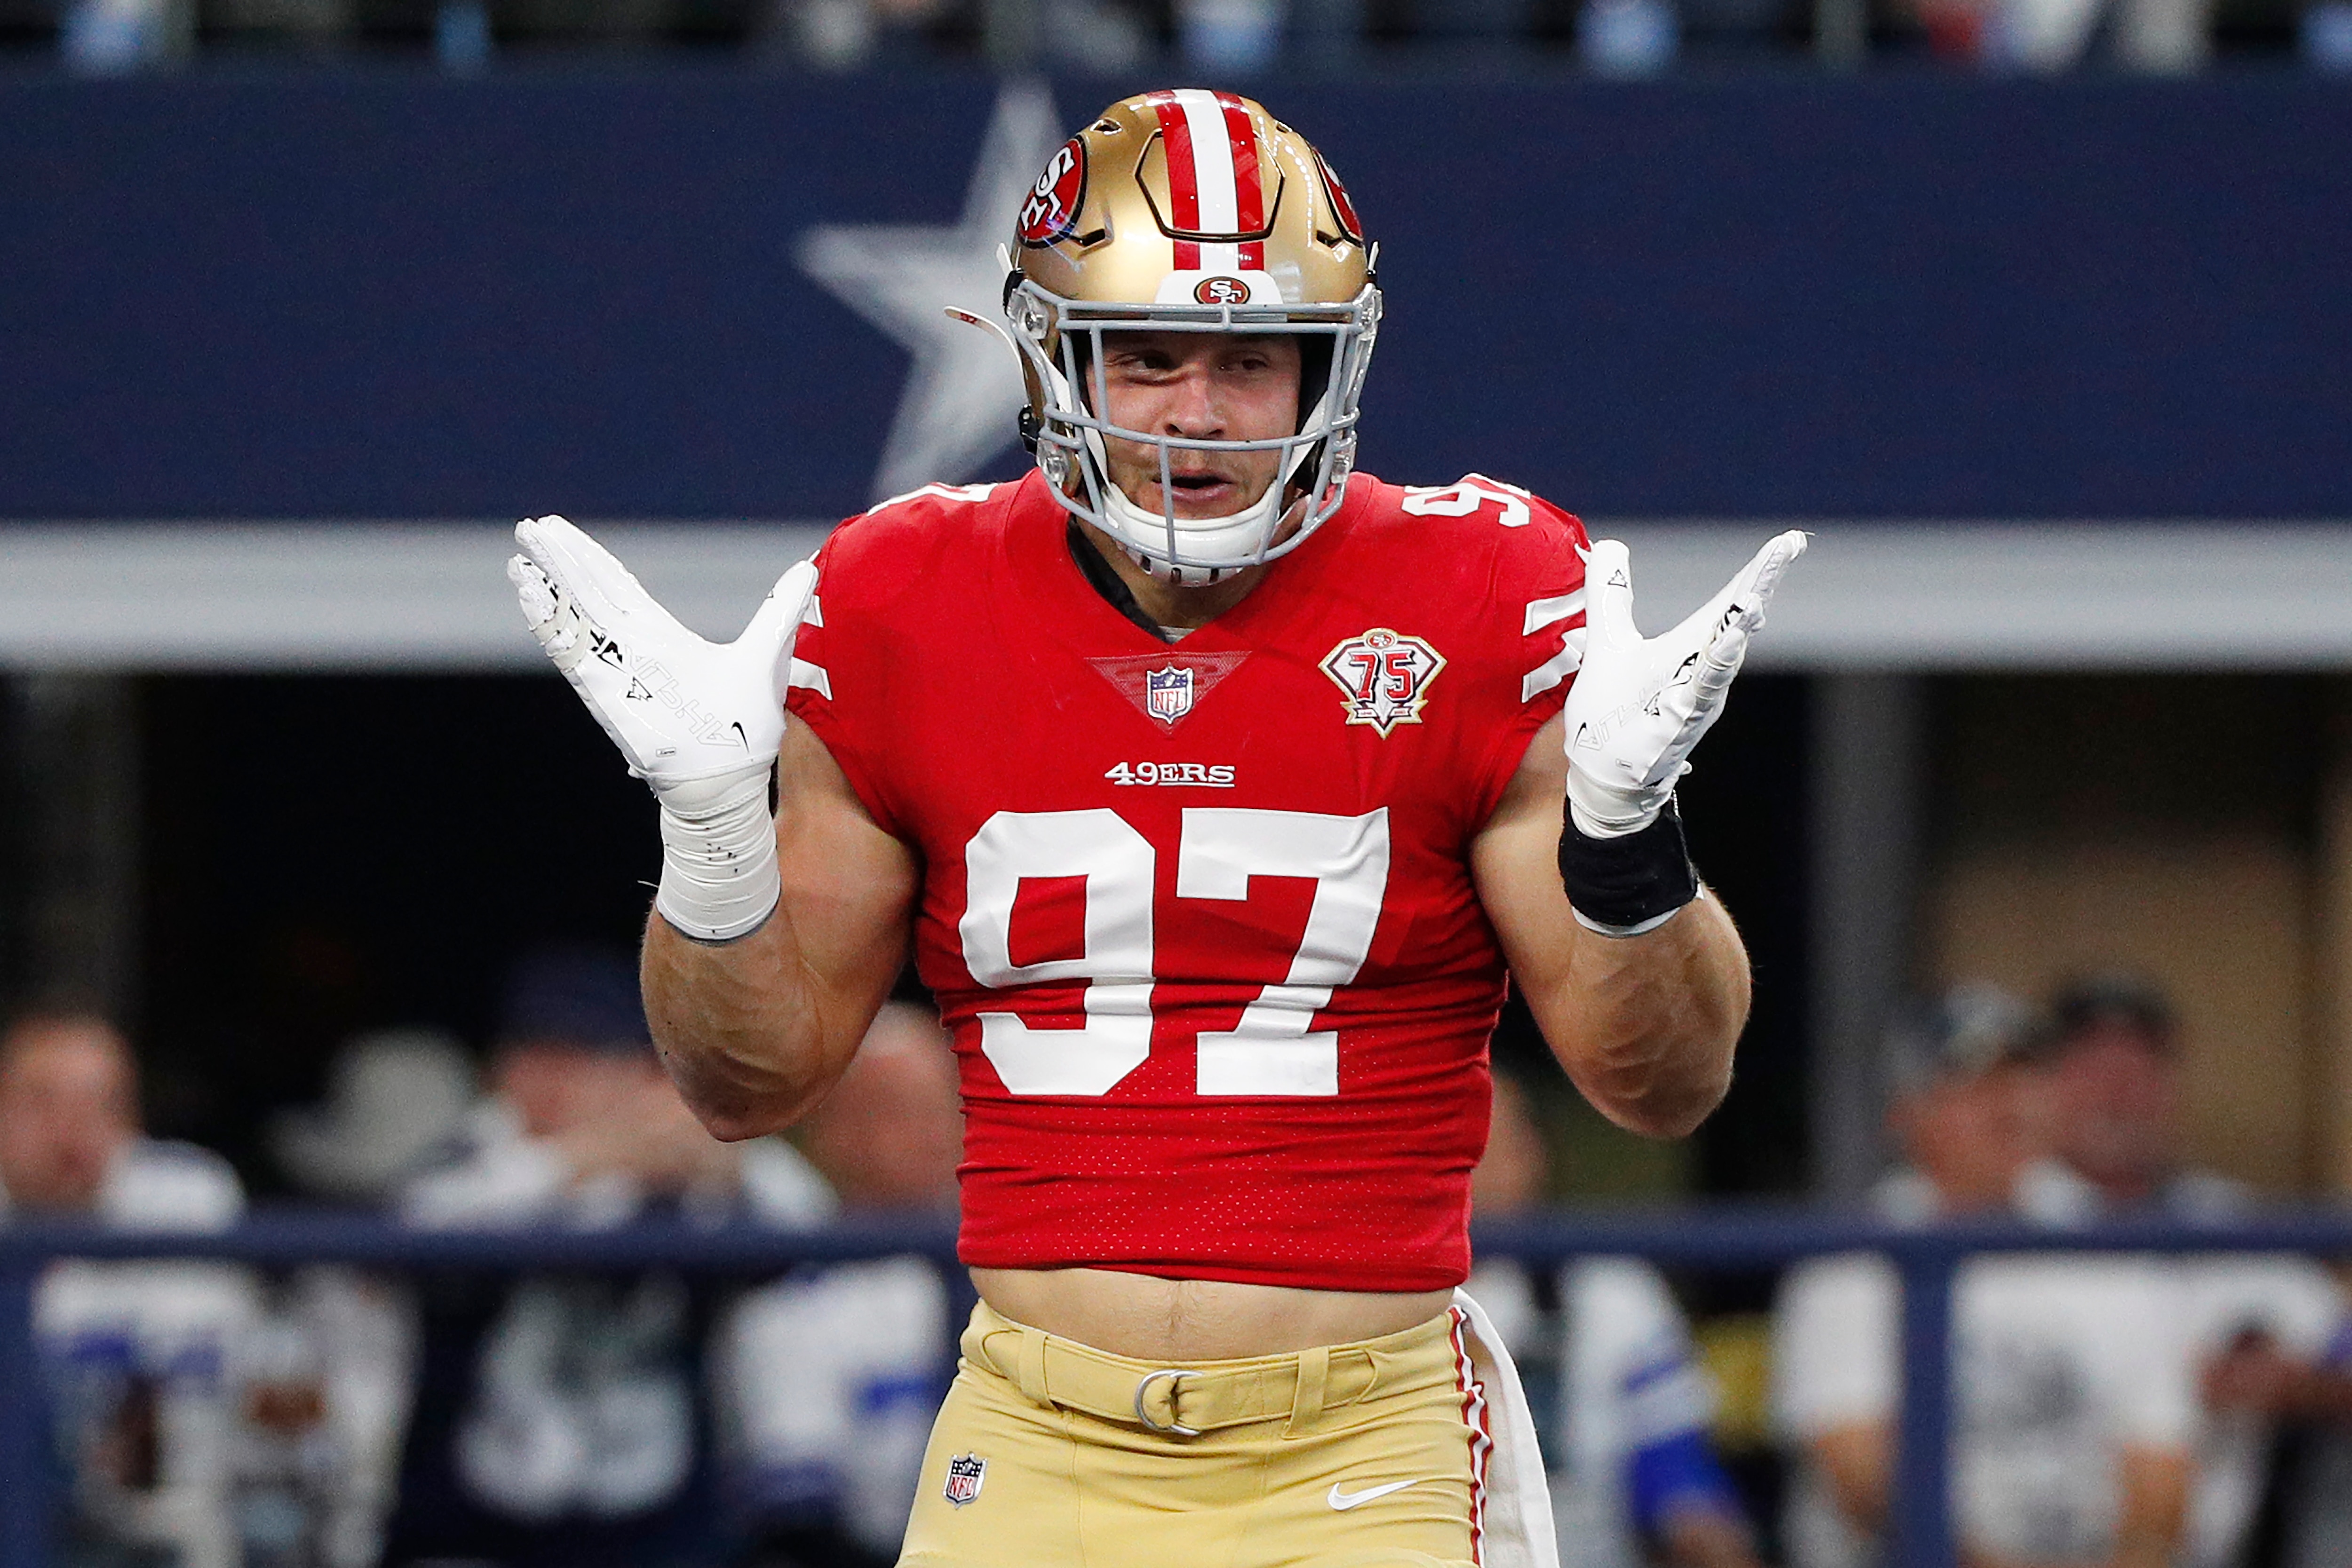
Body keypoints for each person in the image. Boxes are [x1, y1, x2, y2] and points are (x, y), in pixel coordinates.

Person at [508, 88, 1804, 1568]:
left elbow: (1664, 1082)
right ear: (1052, 357)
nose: (1195, 412)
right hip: (1034, 1424)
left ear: (1334, 367)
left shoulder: (1476, 586)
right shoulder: (900, 598)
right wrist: (710, 837)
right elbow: (745, 1084)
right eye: (1149, 356)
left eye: (1253, 361)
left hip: (1361, 1439)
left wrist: (1633, 841)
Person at [385, 946, 830, 1568]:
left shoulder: (693, 1156)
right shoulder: (480, 1150)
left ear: (640, 1069)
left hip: (658, 1509)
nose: (551, 1078)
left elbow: (812, 1230)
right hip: (479, 1509)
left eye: (582, 1056)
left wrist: (729, 1162)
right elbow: (414, 1228)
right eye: (533, 1054)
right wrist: (583, 1158)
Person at [1772, 985, 2193, 1568]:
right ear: (1907, 1112)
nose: (2009, 1104)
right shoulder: (1852, 1259)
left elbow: (2160, 1472)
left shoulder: (2107, 1240)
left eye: (2024, 1078)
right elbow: (1860, 1476)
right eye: (1973, 1083)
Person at [2039, 972, 2344, 1568]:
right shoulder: (2008, 1217)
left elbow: (2340, 1343)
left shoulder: (2226, 1220)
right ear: (2045, 1086)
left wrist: (2295, 1381)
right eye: (2093, 1070)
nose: (2117, 1093)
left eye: (2137, 1071)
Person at [1463, 1075, 1761, 1568]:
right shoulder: (1353, 1301)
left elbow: (1680, 1489)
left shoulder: (1608, 1293)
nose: (1492, 1157)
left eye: (1509, 1136)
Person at [0, 1009, 253, 1568]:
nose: (73, 1128)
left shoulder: (187, 1195)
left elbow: (194, 1378)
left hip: (164, 1539)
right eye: (42, 1101)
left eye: (102, 1103)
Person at [718, 1001, 965, 1566]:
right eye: (900, 1112)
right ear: (832, 1133)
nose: (935, 1132)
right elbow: (801, 1526)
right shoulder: (791, 1300)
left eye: (946, 1106)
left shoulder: (1027, 1272)